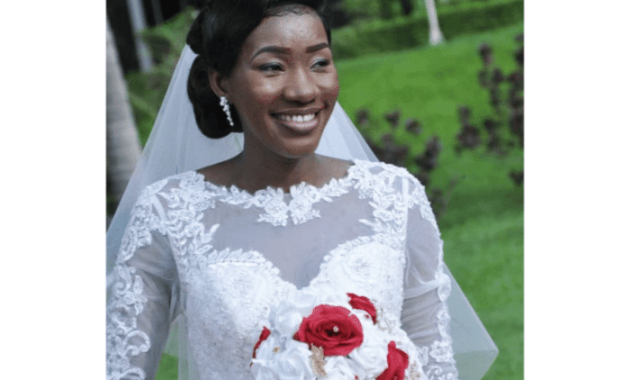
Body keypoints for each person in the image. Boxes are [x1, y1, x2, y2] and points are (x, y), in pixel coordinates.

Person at [106, 1, 498, 379]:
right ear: (221, 81)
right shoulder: (170, 212)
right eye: (272, 67)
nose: (303, 89)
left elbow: (434, 367)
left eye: (320, 63)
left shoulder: (394, 197)